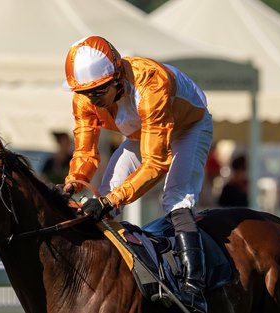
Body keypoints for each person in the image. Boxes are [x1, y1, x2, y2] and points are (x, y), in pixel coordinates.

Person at [61, 36, 212, 312]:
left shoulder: (151, 82)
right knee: (103, 194)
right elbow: (85, 151)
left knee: (176, 197)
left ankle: (194, 287)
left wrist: (112, 201)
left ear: (117, 77)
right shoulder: (83, 96)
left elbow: (156, 163)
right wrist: (75, 181)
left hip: (189, 126)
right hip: (144, 130)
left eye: (98, 92)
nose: (91, 100)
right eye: (86, 93)